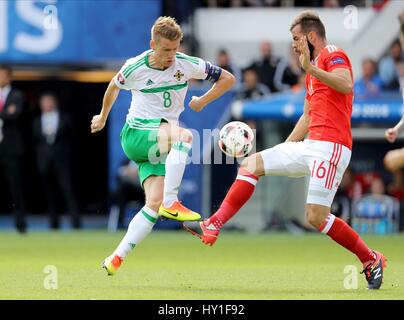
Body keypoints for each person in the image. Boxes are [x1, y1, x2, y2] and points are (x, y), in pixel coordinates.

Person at [184, 10, 386, 290]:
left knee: (315, 216)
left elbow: (346, 83)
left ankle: (370, 258)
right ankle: (214, 223)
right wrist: (286, 146)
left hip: (332, 147)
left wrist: (312, 69)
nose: (293, 44)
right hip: (311, 144)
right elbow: (308, 116)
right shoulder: (312, 69)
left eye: (296, 38)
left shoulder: (332, 53)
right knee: (251, 164)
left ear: (311, 36)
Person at [90, 16, 235, 275]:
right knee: (185, 137)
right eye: (166, 49)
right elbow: (113, 86)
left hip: (158, 144)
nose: (171, 55)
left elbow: (227, 79)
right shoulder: (135, 67)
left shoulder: (186, 64)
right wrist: (102, 116)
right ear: (152, 44)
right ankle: (172, 201)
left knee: (152, 206)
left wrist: (203, 100)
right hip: (136, 135)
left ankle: (116, 258)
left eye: (175, 48)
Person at [32, 92, 81, 229]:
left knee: (68, 191)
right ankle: (54, 224)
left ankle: (76, 224)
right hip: (45, 162)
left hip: (63, 162)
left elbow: (72, 138)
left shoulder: (65, 118)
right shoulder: (36, 121)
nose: (47, 105)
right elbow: (35, 142)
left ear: (55, 103)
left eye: (49, 102)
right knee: (49, 194)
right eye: (44, 102)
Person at [0, 64, 27, 234]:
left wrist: (6, 113)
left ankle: (20, 224)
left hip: (11, 148)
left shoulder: (17, 95)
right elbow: (7, 113)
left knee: (16, 187)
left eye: (2, 75)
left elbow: (13, 115)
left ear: (9, 77)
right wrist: (5, 111)